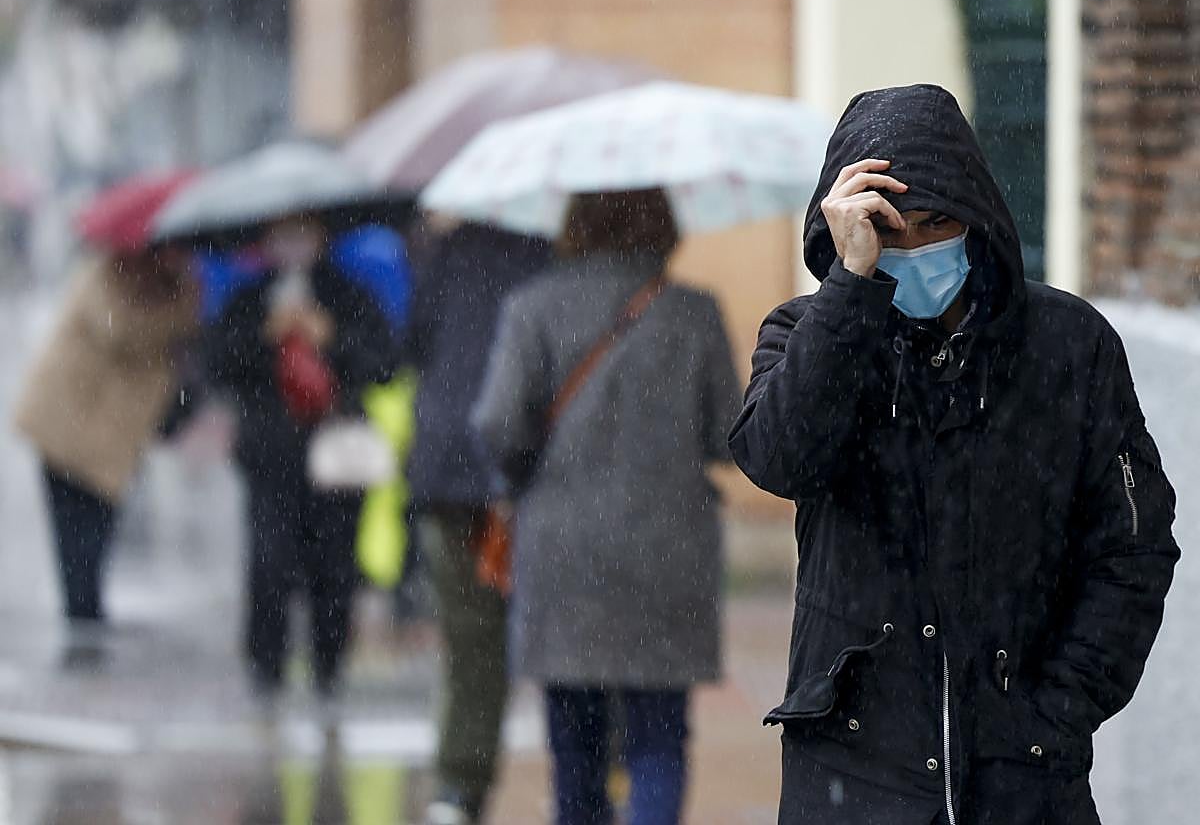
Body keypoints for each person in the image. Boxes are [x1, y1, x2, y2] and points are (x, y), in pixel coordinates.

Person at [728, 84, 1179, 825]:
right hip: (854, 774)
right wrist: (851, 286)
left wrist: (1055, 712)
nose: (914, 247)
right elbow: (778, 458)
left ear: (975, 217)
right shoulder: (808, 334)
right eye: (888, 227)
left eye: (936, 222)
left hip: (1024, 782)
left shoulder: (1068, 346)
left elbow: (1132, 548)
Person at [472, 188, 742, 825]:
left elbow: (498, 424)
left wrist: (530, 464)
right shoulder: (694, 312)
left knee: (575, 744)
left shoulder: (533, 308)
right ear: (663, 225)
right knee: (659, 735)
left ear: (575, 225)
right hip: (668, 549)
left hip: (564, 550)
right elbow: (731, 433)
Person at [206, 212, 395, 699]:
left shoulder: (348, 296)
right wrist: (264, 337)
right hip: (270, 458)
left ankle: (329, 670)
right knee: (270, 564)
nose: (293, 245)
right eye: (282, 234)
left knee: (334, 568)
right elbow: (218, 365)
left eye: (302, 232)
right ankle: (266, 670)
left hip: (336, 458)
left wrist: (330, 338)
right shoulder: (250, 299)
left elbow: (383, 365)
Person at [403, 220, 551, 825]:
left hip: (449, 469)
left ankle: (459, 789)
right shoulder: (551, 256)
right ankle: (591, 780)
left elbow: (412, 344)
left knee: (470, 644)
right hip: (531, 474)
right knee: (566, 640)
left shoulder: (447, 252)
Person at [14, 242, 198, 633]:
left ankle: (86, 619)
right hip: (65, 426)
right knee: (78, 542)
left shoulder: (178, 289)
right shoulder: (105, 276)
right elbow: (120, 331)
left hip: (111, 440)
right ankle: (83, 625)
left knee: (96, 539)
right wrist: (177, 316)